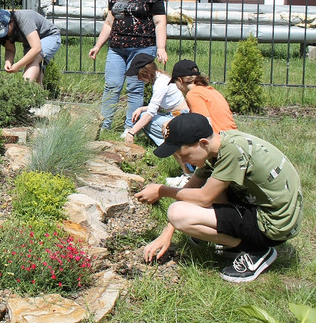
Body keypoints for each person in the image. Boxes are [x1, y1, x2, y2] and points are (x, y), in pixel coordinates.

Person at [134, 113, 303, 283]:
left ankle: (255, 251)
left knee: (178, 213)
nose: (184, 162)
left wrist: (162, 190)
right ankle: (234, 238)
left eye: (185, 155)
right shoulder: (219, 145)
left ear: (203, 143)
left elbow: (204, 198)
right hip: (262, 207)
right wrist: (167, 233)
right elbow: (191, 188)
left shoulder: (232, 151)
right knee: (200, 196)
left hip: (274, 224)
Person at [88, 0, 168, 132]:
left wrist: (161, 47)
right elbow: (109, 23)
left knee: (135, 88)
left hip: (142, 49)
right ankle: (103, 127)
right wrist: (98, 45)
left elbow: (160, 22)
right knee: (112, 86)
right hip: (117, 49)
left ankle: (129, 130)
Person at [122, 53, 189, 146]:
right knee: (142, 115)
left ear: (146, 72)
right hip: (174, 114)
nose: (139, 78)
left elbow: (151, 113)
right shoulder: (160, 78)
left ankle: (169, 144)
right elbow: (158, 106)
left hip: (180, 116)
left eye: (139, 75)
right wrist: (141, 108)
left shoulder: (160, 83)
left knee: (145, 117)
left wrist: (131, 132)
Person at [0, 9, 61, 85]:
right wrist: (8, 62)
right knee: (36, 73)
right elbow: (9, 50)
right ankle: (40, 94)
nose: (5, 33)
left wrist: (17, 66)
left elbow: (36, 48)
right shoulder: (7, 31)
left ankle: (24, 90)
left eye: (6, 30)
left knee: (33, 60)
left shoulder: (25, 20)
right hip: (30, 42)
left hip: (49, 36)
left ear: (12, 21)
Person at [170, 59, 237, 134]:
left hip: (219, 138)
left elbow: (205, 125)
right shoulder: (211, 90)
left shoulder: (193, 94)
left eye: (175, 83)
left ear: (180, 80)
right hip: (233, 135)